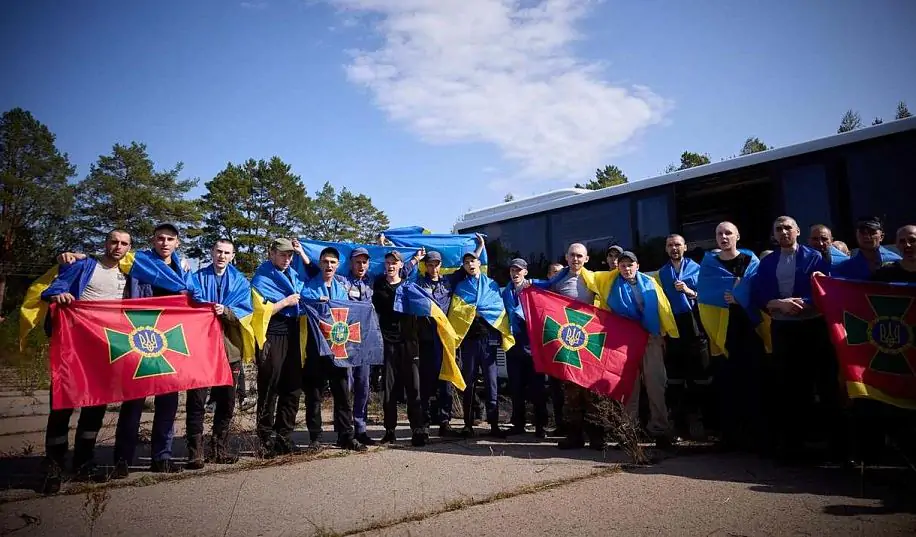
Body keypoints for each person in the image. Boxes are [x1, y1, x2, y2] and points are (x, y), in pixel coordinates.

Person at [38, 229, 133, 493]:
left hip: (106, 350)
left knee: (96, 406)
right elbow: (53, 289)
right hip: (74, 347)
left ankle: (83, 462)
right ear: (105, 243)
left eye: (124, 244)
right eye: (114, 241)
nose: (118, 246)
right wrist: (59, 295)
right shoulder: (84, 265)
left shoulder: (129, 274)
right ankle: (54, 466)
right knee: (62, 406)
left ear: (129, 249)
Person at [752, 216, 833, 460]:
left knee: (820, 382)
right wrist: (775, 303)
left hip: (812, 327)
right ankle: (793, 445)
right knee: (789, 384)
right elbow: (759, 292)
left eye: (788, 228)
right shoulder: (768, 262)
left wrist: (803, 303)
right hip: (782, 329)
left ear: (797, 231)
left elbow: (824, 288)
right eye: (779, 229)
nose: (784, 232)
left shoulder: (815, 257)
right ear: (774, 235)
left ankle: (829, 445)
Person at [697, 222, 768, 451]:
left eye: (728, 233)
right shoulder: (709, 265)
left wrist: (740, 297)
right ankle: (731, 437)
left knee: (754, 382)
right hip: (723, 332)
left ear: (737, 236)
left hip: (750, 328)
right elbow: (705, 295)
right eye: (719, 233)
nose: (724, 237)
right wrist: (727, 294)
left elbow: (760, 290)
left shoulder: (751, 262)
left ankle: (758, 436)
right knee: (727, 384)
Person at [185, 239, 251, 469]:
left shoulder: (241, 282)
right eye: (218, 251)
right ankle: (195, 452)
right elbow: (188, 303)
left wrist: (227, 312)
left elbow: (246, 313)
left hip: (229, 350)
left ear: (233, 256)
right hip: (201, 350)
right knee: (196, 402)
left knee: (227, 402)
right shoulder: (196, 278)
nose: (222, 256)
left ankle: (218, 448)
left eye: (227, 253)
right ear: (212, 252)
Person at [298, 246, 367, 452]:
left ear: (337, 266)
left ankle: (346, 435)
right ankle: (315, 437)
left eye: (332, 262)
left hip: (337, 349)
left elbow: (348, 314)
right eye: (325, 262)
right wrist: (318, 304)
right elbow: (303, 308)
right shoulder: (308, 287)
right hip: (315, 348)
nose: (328, 265)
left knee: (343, 394)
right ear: (320, 263)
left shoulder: (341, 289)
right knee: (314, 395)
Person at [533, 243, 600, 449]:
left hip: (590, 343)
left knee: (591, 391)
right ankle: (575, 435)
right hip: (569, 343)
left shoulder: (595, 280)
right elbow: (545, 301)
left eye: (580, 256)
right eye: (572, 255)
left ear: (586, 259)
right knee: (571, 391)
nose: (576, 259)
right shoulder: (558, 281)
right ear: (566, 257)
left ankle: (597, 437)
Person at [448, 236, 510, 438]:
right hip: (469, 342)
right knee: (469, 383)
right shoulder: (460, 287)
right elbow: (456, 312)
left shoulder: (491, 285)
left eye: (473, 261)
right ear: (464, 266)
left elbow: (497, 308)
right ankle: (468, 424)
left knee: (492, 384)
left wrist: (481, 311)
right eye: (466, 262)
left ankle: (494, 425)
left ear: (479, 263)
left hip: (489, 342)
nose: (470, 264)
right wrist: (470, 312)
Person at [250, 238, 305, 457]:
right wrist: (285, 302)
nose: (287, 259)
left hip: (293, 334)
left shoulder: (293, 275)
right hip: (272, 335)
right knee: (269, 387)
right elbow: (257, 311)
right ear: (271, 253)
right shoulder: (262, 277)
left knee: (292, 387)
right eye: (282, 255)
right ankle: (265, 438)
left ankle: (284, 436)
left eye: (290, 255)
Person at [656, 234, 710, 441]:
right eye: (670, 245)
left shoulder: (698, 269)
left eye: (677, 244)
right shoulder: (662, 274)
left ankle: (704, 425)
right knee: (676, 379)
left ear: (685, 247)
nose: (674, 248)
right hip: (674, 328)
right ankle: (679, 426)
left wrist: (689, 291)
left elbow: (707, 295)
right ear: (666, 249)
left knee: (700, 377)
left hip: (696, 326)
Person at [373, 251, 428, 446]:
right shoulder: (378, 285)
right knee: (389, 390)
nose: (390, 266)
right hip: (387, 343)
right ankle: (389, 430)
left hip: (409, 343)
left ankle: (418, 429)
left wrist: (416, 259)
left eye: (394, 263)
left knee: (414, 387)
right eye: (387, 262)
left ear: (400, 266)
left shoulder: (409, 286)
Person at [502, 258, 547, 438]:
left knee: (537, 389)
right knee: (516, 388)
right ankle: (518, 424)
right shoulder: (506, 292)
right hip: (513, 346)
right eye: (513, 270)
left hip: (533, 346)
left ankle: (540, 426)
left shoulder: (533, 289)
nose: (515, 273)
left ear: (525, 272)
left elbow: (552, 284)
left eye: (519, 270)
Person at [416, 250, 458, 437]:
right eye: (430, 264)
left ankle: (444, 421)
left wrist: (478, 249)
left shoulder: (448, 282)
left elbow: (470, 267)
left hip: (445, 340)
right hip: (425, 339)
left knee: (445, 382)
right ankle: (425, 422)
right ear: (426, 265)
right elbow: (399, 274)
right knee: (426, 383)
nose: (433, 268)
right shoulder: (417, 282)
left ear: (441, 265)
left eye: (436, 264)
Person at [833, 217, 901, 279]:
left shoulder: (897, 262)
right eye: (862, 233)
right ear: (856, 236)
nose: (867, 237)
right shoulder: (843, 268)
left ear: (881, 237)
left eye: (872, 232)